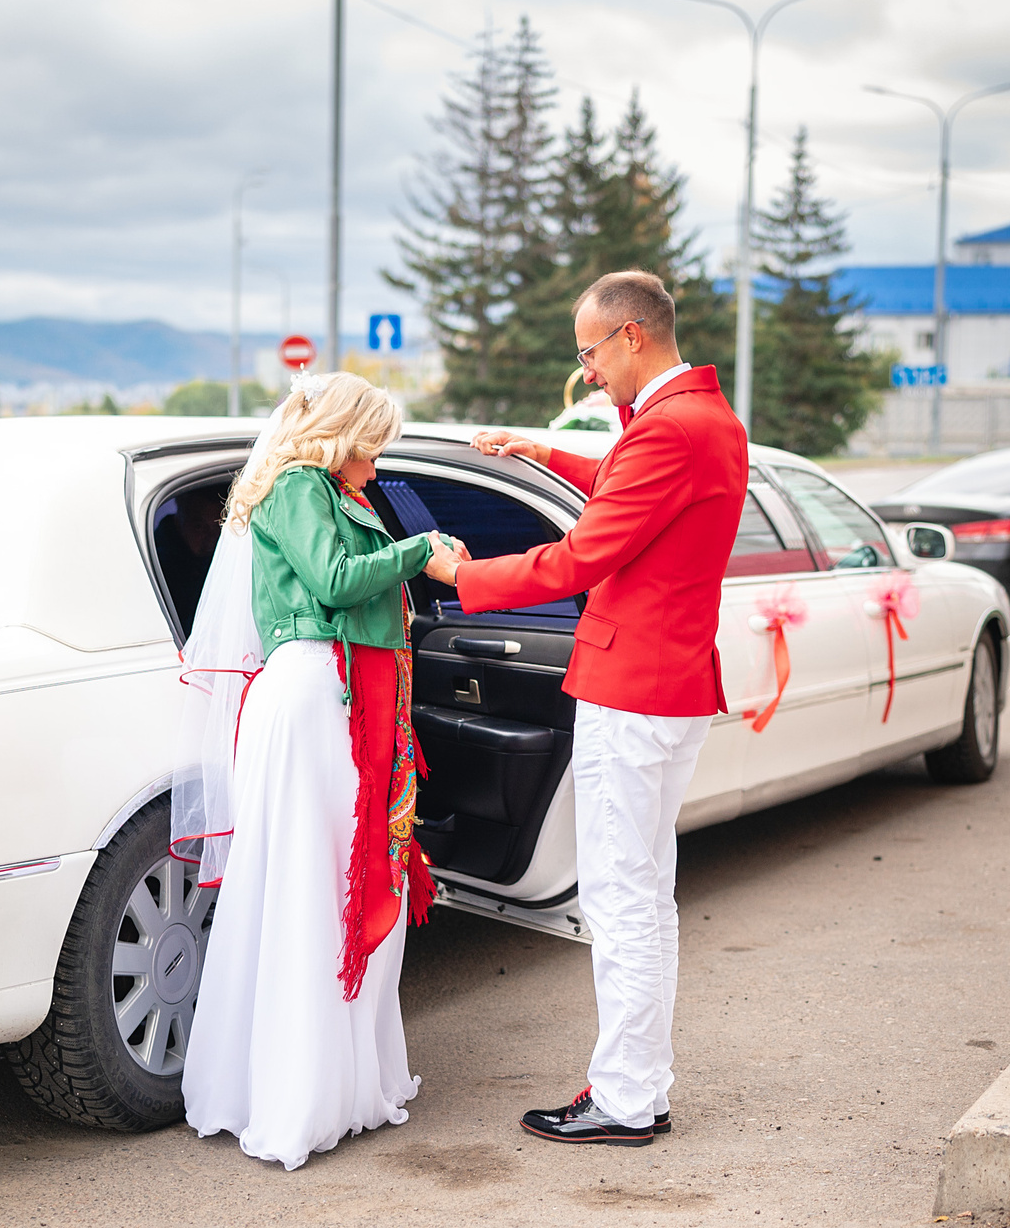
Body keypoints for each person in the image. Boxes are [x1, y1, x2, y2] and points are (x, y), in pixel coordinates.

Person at [451, 270, 749, 1147]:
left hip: (632, 690)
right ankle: (639, 1086)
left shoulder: (669, 431)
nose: (585, 373)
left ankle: (623, 1098)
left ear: (631, 337)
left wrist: (458, 577)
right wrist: (546, 456)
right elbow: (636, 479)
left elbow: (580, 557)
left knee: (620, 901)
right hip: (673, 685)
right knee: (646, 896)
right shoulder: (705, 420)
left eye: (588, 352)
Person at [179, 373, 470, 1171]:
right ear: (342, 432)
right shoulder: (301, 487)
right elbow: (336, 582)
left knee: (328, 881)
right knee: (316, 884)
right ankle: (301, 1094)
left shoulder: (320, 486)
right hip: (314, 695)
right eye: (374, 441)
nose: (378, 461)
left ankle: (334, 1084)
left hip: (332, 698)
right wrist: (422, 551)